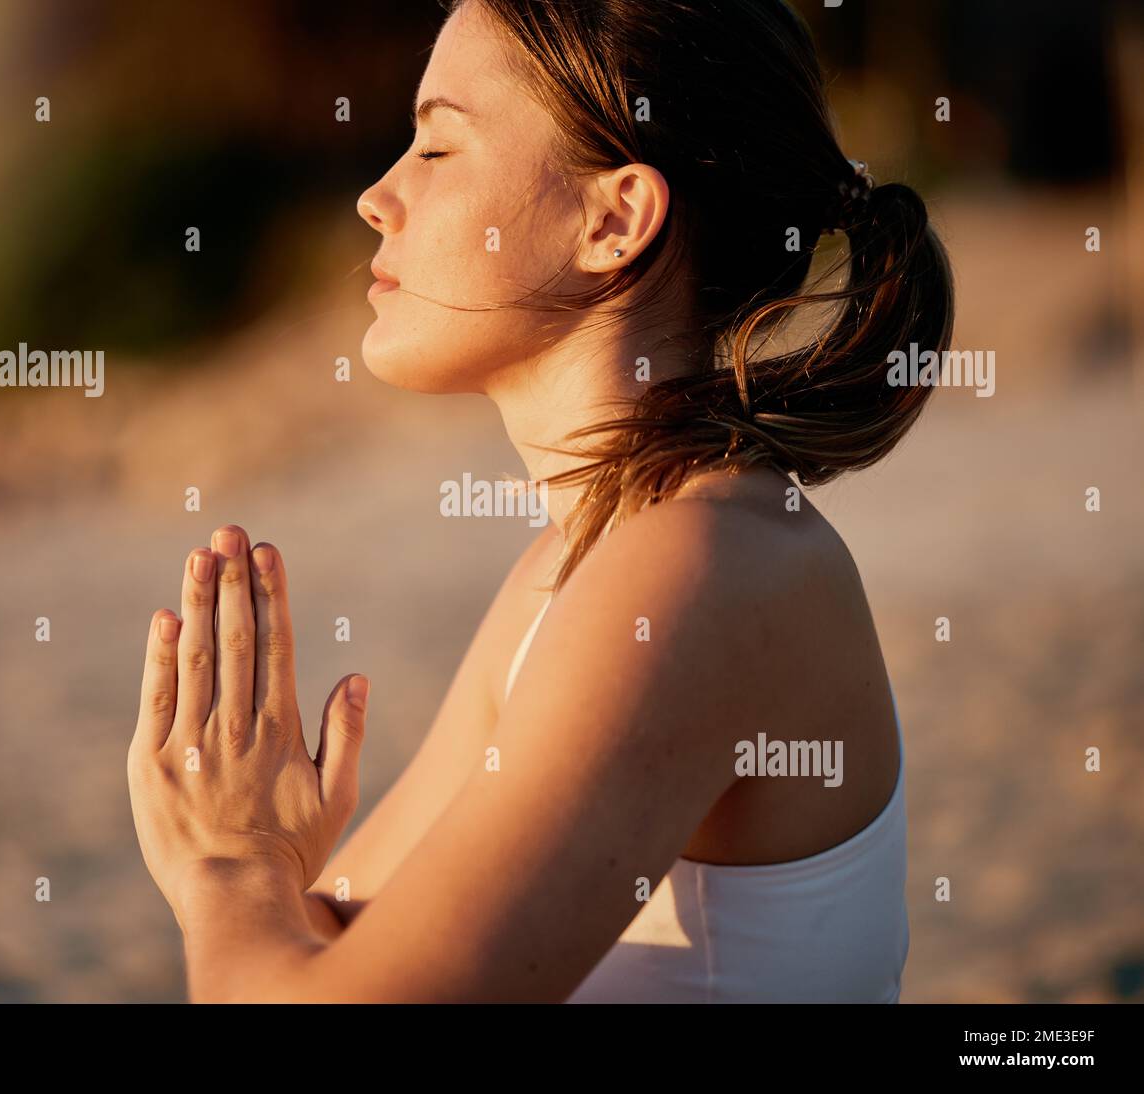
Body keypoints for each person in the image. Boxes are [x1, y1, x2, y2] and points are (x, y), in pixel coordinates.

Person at [127, 0, 953, 1002]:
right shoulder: (573, 570)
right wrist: (258, 869)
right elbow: (334, 940)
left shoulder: (702, 567)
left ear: (612, 221)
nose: (376, 198)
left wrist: (227, 867)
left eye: (436, 148)